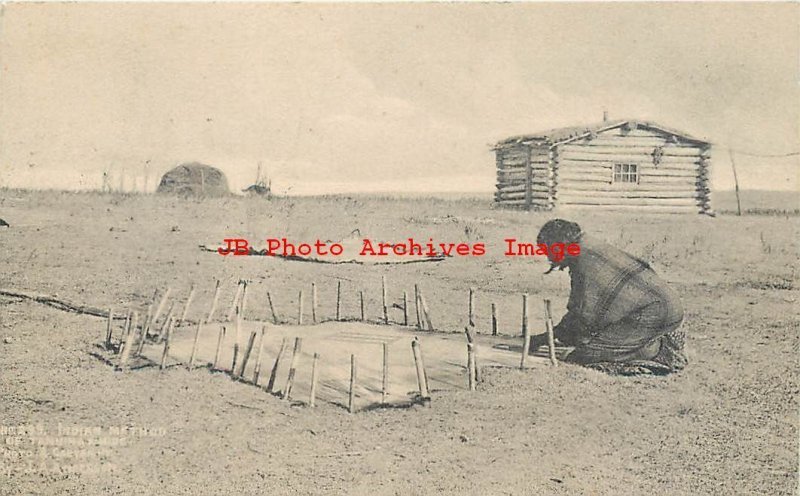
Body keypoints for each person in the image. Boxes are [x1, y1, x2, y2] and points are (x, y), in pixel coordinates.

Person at [529, 219, 687, 375]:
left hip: (654, 313)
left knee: (584, 356)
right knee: (588, 343)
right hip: (670, 306)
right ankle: (645, 341)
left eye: (548, 251)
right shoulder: (589, 246)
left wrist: (546, 337)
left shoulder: (585, 262)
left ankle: (655, 351)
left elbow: (583, 316)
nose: (548, 258)